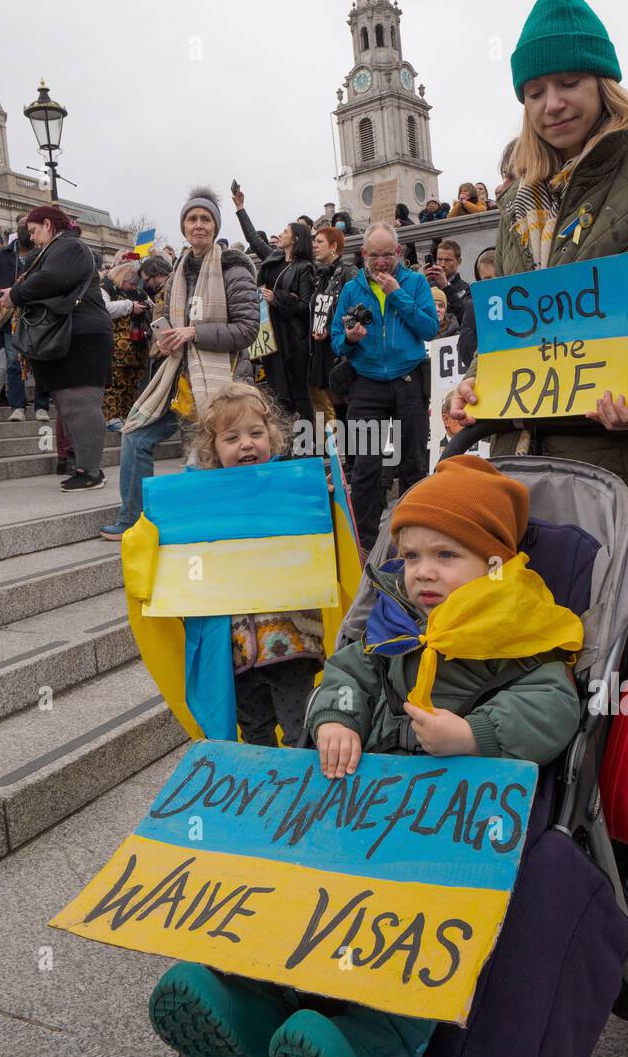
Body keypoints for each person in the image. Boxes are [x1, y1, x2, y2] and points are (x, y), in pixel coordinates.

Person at [147, 454, 582, 1057]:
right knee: (289, 895)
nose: (422, 573)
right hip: (359, 803)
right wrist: (336, 720)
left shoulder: (518, 630)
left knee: (411, 943)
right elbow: (349, 672)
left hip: (444, 828)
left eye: (445, 556)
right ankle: (242, 1002)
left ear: (495, 562)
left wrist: (471, 734)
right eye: (410, 557)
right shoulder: (393, 621)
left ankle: (371, 1053)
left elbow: (553, 704)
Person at [450, 0, 628, 906]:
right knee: (561, 653)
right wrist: (473, 399)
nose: (552, 103)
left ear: (604, 85)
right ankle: (577, 811)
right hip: (532, 467)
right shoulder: (518, 203)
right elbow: (513, 341)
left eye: (569, 82)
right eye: (535, 91)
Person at [100, 187, 258, 539]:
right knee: (135, 436)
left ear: (215, 225)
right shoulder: (178, 270)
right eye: (191, 219)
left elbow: (247, 329)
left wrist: (193, 333)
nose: (198, 225)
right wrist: (165, 335)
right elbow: (163, 312)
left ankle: (224, 526)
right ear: (184, 226)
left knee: (207, 457)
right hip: (177, 379)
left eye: (205, 219)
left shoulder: (233, 268)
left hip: (222, 382)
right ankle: (134, 519)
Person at [194, 383, 325, 746]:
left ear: (272, 436)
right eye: (231, 437)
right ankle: (263, 793)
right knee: (253, 730)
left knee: (300, 729)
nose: (247, 444)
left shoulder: (294, 487)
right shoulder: (203, 501)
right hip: (236, 647)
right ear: (213, 449)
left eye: (256, 433)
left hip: (292, 641)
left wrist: (324, 502)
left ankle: (306, 792)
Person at [330, 222, 437, 553]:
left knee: (414, 464)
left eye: (386, 256)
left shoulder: (415, 283)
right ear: (363, 254)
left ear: (399, 253)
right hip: (368, 383)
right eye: (373, 256)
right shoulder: (351, 289)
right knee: (365, 467)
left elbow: (430, 328)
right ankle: (363, 544)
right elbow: (336, 341)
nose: (380, 263)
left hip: (408, 380)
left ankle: (414, 536)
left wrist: (397, 294)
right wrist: (349, 339)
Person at [0, 206, 112, 490]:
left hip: (82, 334)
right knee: (69, 405)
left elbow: (53, 280)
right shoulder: (57, 248)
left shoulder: (69, 246)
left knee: (81, 403)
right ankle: (85, 468)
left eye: (33, 231)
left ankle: (91, 471)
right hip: (71, 332)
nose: (31, 237)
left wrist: (15, 295)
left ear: (48, 224)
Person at [232, 191, 315, 432]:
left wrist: (277, 298)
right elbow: (254, 240)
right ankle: (286, 441)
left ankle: (307, 445)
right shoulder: (275, 258)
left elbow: (305, 306)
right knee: (278, 391)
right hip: (273, 337)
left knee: (299, 393)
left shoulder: (305, 268)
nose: (281, 234)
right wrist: (240, 208)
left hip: (294, 341)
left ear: (296, 239)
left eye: (286, 232)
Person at [0, 218, 51, 422]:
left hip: (38, 315)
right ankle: (17, 406)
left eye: (30, 228)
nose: (26, 232)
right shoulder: (0, 256)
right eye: (23, 227)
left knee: (40, 360)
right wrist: (0, 296)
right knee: (13, 362)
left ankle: (42, 405)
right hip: (9, 316)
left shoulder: (45, 254)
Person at [308, 224, 355, 428]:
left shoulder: (348, 272)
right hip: (321, 348)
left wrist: (330, 328)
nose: (314, 246)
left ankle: (354, 454)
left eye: (319, 242)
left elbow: (355, 309)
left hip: (339, 347)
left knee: (347, 399)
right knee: (334, 402)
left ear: (333, 246)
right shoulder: (321, 276)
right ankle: (346, 452)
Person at [100, 259, 150, 430]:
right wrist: (129, 306)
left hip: (138, 346)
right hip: (116, 346)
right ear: (122, 278)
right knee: (114, 383)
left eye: (137, 283)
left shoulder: (140, 292)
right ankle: (111, 418)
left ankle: (127, 415)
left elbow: (151, 305)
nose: (134, 287)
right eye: (131, 283)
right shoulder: (105, 287)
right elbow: (104, 308)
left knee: (132, 383)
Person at [456, 248, 497, 373]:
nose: (495, 284)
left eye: (499, 277)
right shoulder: (472, 309)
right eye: (487, 280)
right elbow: (465, 352)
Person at [424, 238, 471, 326]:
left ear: (459, 261)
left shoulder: (467, 288)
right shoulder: (428, 285)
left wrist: (446, 287)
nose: (442, 264)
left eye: (448, 260)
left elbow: (464, 318)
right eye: (439, 259)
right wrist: (422, 284)